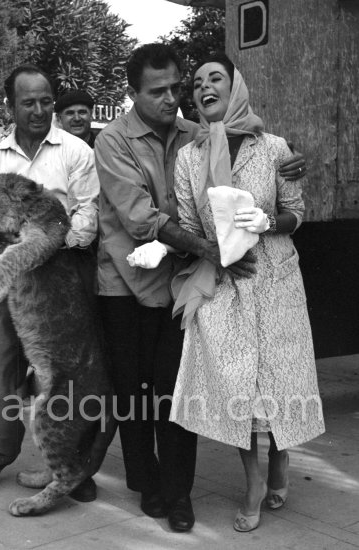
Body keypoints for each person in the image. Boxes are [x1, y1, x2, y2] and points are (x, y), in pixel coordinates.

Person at [94, 43, 307, 532]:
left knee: (175, 391)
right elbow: (143, 217)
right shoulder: (113, 141)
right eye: (159, 91)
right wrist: (214, 252)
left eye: (176, 87)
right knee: (134, 393)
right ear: (132, 94)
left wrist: (294, 162)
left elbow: (247, 147)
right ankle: (146, 483)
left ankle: (178, 493)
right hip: (125, 283)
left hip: (181, 283)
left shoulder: (196, 135)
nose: (172, 99)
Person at [166, 53, 325, 532]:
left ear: (235, 86)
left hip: (275, 280)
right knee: (238, 384)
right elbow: (191, 224)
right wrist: (216, 249)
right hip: (224, 282)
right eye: (197, 83)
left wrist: (269, 222)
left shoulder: (274, 147)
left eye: (216, 78)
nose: (205, 87)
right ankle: (253, 478)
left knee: (276, 378)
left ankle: (280, 457)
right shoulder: (190, 157)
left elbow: (297, 212)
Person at [0, 64, 100, 502]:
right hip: (13, 276)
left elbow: (87, 211)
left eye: (46, 101)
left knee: (63, 372)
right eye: (29, 102)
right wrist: (2, 245)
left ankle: (71, 461)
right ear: (11, 106)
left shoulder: (76, 150)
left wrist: (53, 243)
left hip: (61, 277)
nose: (39, 110)